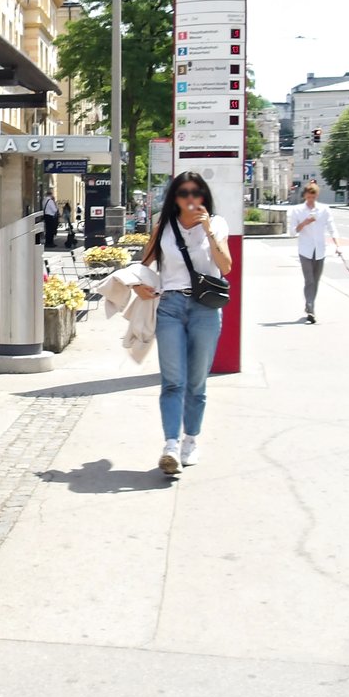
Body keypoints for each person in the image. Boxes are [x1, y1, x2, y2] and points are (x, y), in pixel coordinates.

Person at [130, 171, 232, 476]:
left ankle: (190, 439)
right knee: (173, 380)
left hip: (205, 309)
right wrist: (138, 286)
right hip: (170, 307)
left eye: (195, 193)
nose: (190, 199)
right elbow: (144, 263)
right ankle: (171, 445)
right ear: (174, 197)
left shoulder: (218, 223)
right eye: (183, 193)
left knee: (197, 382)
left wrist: (208, 230)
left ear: (204, 196)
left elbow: (226, 266)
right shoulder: (164, 226)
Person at [288, 180, 338, 324]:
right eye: (309, 197)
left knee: (316, 280)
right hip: (305, 250)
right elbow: (292, 232)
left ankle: (309, 304)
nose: (311, 200)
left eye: (313, 197)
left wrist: (337, 245)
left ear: (317, 196)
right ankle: (310, 308)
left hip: (320, 250)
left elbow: (332, 227)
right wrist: (305, 222)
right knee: (309, 280)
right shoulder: (297, 210)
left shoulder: (324, 209)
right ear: (305, 196)